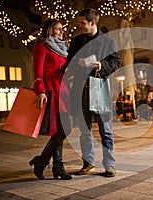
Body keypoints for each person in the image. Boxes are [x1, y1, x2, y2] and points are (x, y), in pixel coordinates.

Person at [66, 8, 120, 177]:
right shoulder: (76, 42)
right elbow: (69, 63)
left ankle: (109, 165)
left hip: (100, 89)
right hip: (81, 91)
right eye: (80, 22)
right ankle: (88, 162)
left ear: (93, 23)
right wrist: (78, 63)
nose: (80, 26)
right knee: (85, 130)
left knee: (106, 129)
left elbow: (116, 62)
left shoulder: (108, 42)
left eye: (83, 23)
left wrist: (102, 65)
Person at [29, 19, 72, 180]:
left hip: (64, 91)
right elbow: (37, 72)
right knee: (63, 129)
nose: (61, 32)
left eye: (62, 29)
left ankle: (54, 165)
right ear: (49, 30)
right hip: (51, 91)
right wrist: (40, 91)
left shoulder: (64, 49)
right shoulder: (42, 46)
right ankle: (47, 163)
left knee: (61, 129)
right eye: (57, 29)